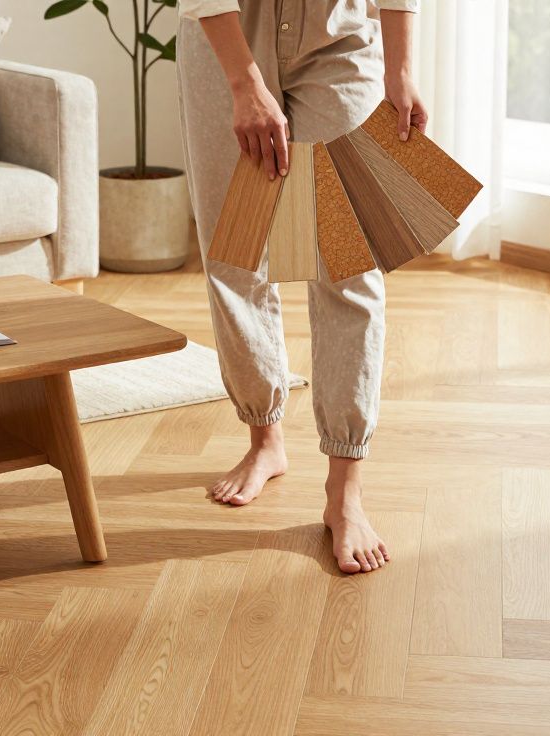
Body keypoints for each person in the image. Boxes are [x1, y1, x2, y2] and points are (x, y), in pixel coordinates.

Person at [177, 0, 425, 574]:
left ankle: (345, 489)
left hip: (339, 34)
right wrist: (244, 83)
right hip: (229, 30)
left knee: (348, 262)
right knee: (238, 253)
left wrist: (401, 68)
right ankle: (265, 439)